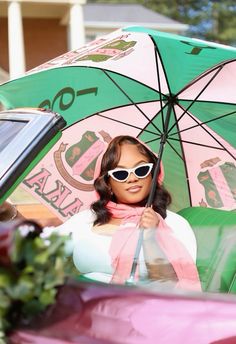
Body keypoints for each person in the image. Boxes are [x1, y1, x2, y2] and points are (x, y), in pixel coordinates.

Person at [0, 135, 201, 291]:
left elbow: (172, 290)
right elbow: (36, 247)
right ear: (108, 183)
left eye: (141, 170)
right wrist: (8, 213)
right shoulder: (87, 220)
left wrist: (150, 238)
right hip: (83, 316)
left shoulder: (175, 225)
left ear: (154, 174)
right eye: (120, 173)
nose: (132, 179)